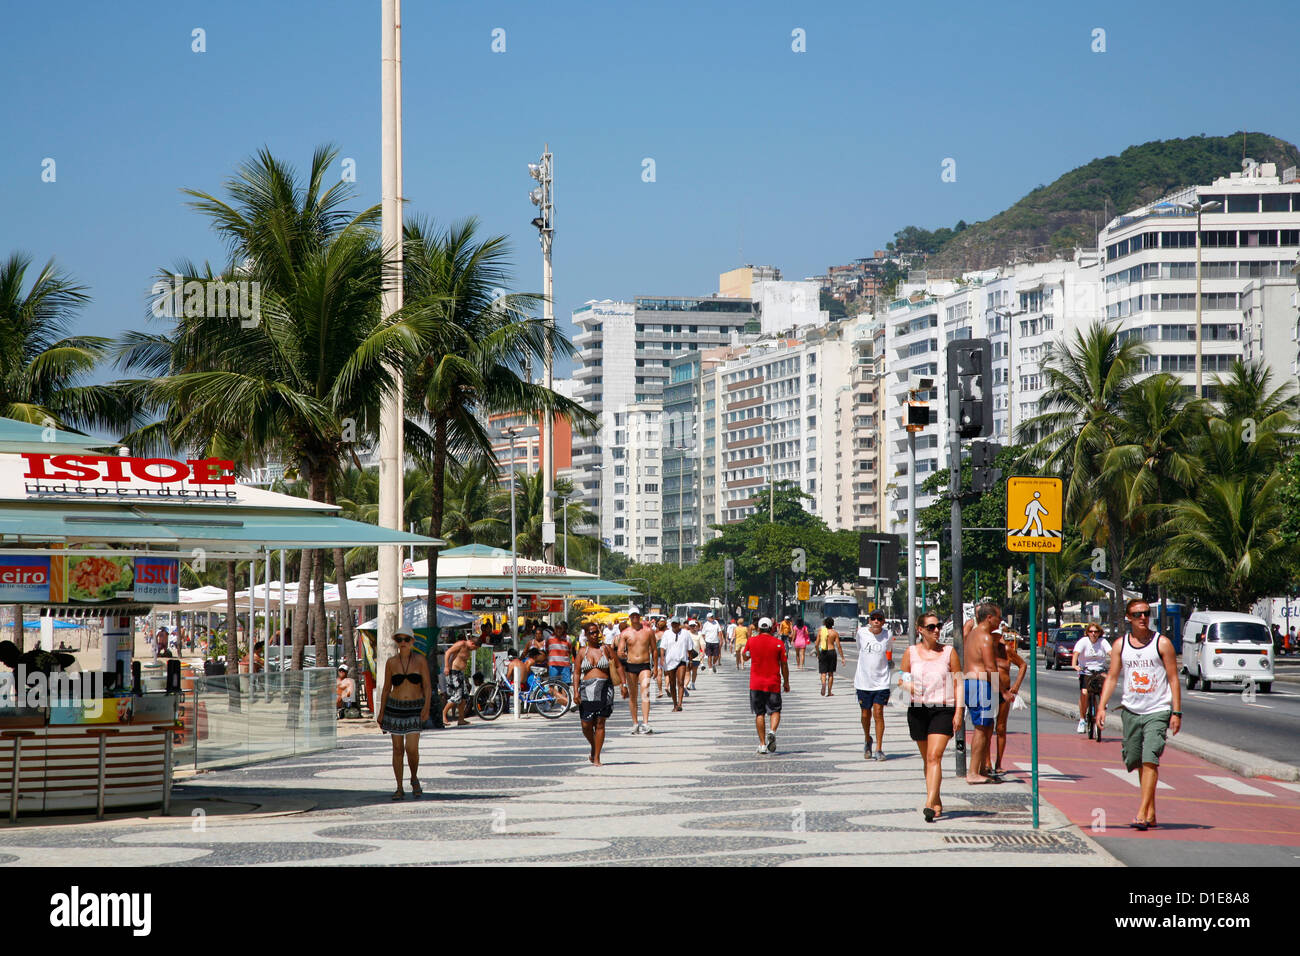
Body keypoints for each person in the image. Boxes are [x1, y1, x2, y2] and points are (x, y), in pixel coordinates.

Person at [1097, 599, 1182, 831]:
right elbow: (1112, 677)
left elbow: (1174, 679)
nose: (1143, 618)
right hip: (1131, 710)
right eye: (1137, 615)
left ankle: (1142, 813)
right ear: (1128, 618)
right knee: (1136, 761)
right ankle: (1152, 811)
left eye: (1146, 613)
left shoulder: (1162, 643)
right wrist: (1101, 707)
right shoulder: (1120, 645)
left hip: (1158, 709)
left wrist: (1176, 711)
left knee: (1150, 758)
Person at [899, 612, 964, 821]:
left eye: (938, 626)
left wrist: (959, 712)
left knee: (935, 756)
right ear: (920, 630)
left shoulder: (949, 652)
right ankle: (936, 799)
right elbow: (901, 676)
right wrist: (907, 684)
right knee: (928, 760)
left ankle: (928, 803)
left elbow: (959, 683)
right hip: (918, 710)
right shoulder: (911, 652)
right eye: (931, 627)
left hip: (943, 709)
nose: (936, 630)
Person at [376, 626, 431, 800]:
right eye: (399, 640)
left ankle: (414, 778)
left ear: (412, 641)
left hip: (415, 707)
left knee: (411, 748)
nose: (403, 643)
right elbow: (386, 689)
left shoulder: (420, 660)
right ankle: (399, 787)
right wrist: (381, 712)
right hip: (395, 707)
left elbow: (427, 686)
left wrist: (426, 707)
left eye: (406, 639)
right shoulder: (391, 662)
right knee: (397, 749)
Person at [574, 623, 626, 765]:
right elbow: (577, 672)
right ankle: (594, 745)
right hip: (587, 691)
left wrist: (624, 684)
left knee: (600, 723)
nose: (595, 635)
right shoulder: (582, 652)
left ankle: (597, 757)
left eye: (597, 632)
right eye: (592, 633)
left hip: (605, 689)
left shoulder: (606, 649)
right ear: (586, 635)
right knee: (586, 725)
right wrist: (575, 691)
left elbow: (619, 666)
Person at [962, 603, 1001, 785]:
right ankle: (972, 772)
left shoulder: (972, 634)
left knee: (985, 727)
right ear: (989, 618)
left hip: (971, 683)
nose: (1000, 621)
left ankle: (981, 769)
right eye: (998, 618)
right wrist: (1003, 691)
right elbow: (991, 667)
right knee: (981, 729)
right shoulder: (985, 638)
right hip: (980, 684)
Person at [745, 617, 790, 754]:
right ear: (772, 628)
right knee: (775, 710)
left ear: (758, 628)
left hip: (756, 683)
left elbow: (745, 656)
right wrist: (786, 682)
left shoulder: (751, 641)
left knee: (760, 713)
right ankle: (772, 731)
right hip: (773, 683)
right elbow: (784, 664)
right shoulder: (779, 643)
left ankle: (763, 744)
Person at [990, 624, 1028, 775]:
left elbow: (1023, 665)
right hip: (988, 690)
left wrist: (1016, 686)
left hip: (1004, 692)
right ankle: (986, 762)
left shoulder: (1006, 650)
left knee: (1000, 728)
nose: (998, 640)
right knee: (986, 729)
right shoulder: (986, 651)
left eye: (999, 637)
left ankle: (998, 763)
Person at [854, 610, 892, 761]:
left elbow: (888, 650)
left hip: (881, 681)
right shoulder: (861, 633)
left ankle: (879, 748)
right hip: (863, 682)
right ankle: (867, 739)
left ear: (883, 621)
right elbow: (859, 648)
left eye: (879, 619)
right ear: (869, 620)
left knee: (878, 713)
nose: (876, 621)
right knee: (865, 714)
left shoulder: (887, 635)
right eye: (873, 618)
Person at [618, 608, 658, 735]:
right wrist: (621, 653)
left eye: (636, 615)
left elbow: (654, 649)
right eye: (632, 615)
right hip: (631, 666)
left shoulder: (648, 631)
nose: (634, 617)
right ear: (629, 617)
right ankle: (635, 723)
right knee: (633, 695)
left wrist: (656, 666)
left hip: (644, 665)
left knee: (646, 690)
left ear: (639, 616)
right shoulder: (625, 633)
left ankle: (645, 723)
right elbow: (619, 650)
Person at [1071, 623, 1112, 734]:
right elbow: (1076, 653)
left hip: (1100, 670)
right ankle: (1082, 720)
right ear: (1087, 633)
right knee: (1084, 693)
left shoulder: (1103, 642)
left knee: (1107, 682)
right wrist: (1075, 665)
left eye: (1096, 632)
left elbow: (1111, 653)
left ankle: (1103, 703)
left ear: (1099, 633)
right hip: (1086, 670)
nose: (1093, 634)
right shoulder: (1083, 642)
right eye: (1091, 631)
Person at [441, 630, 482, 726]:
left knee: (464, 697)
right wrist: (446, 666)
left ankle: (461, 719)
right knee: (457, 696)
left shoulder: (468, 648)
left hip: (460, 673)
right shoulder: (461, 644)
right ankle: (443, 715)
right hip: (454, 672)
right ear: (471, 643)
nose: (474, 650)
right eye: (474, 648)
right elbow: (448, 652)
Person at [660, 619, 693, 711]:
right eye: (673, 623)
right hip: (669, 661)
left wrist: (690, 661)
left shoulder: (685, 633)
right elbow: (662, 647)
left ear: (679, 624)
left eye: (676, 623)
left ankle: (680, 703)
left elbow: (690, 648)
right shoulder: (667, 634)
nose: (674, 625)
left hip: (681, 660)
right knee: (672, 683)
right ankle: (674, 704)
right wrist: (662, 658)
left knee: (681, 682)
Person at [816, 617, 845, 696]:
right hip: (832, 652)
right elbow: (838, 646)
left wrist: (818, 653)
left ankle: (823, 684)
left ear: (824, 624)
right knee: (831, 673)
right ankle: (829, 691)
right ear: (833, 624)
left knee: (823, 672)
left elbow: (816, 644)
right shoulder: (834, 633)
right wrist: (842, 657)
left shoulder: (821, 632)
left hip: (823, 652)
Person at [546, 621, 575, 686]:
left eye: (560, 628)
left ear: (563, 629)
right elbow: (547, 651)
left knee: (565, 685)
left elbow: (570, 651)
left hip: (565, 665)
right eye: (557, 628)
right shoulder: (549, 638)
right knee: (552, 684)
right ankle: (554, 696)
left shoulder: (567, 638)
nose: (558, 630)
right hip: (553, 665)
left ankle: (563, 696)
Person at [687, 619, 704, 690]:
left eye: (694, 626)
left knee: (694, 671)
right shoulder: (686, 633)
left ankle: (693, 683)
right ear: (689, 626)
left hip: (696, 656)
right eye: (691, 626)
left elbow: (702, 644)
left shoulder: (699, 635)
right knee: (688, 671)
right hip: (687, 656)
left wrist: (702, 653)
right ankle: (687, 684)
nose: (693, 627)